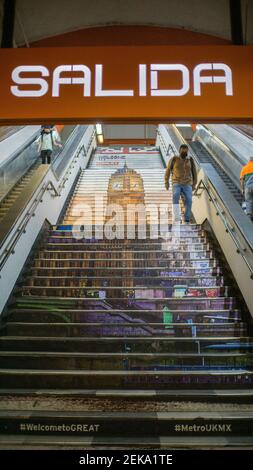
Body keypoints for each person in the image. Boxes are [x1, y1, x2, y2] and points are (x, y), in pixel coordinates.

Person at [164, 144, 197, 224]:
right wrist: (166, 182)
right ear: (179, 151)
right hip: (177, 182)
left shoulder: (190, 160)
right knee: (175, 196)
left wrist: (194, 184)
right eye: (183, 150)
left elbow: (194, 172)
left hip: (187, 183)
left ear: (187, 151)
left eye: (186, 150)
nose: (184, 152)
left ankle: (187, 219)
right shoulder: (174, 159)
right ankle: (177, 217)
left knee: (189, 200)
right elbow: (168, 170)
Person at [240, 156, 253, 221]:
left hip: (248, 188)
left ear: (248, 161)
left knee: (249, 201)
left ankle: (249, 216)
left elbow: (242, 180)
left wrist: (242, 189)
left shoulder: (244, 168)